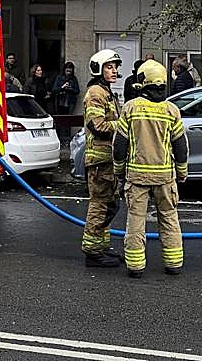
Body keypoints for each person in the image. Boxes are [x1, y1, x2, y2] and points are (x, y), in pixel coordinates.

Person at [114, 59, 188, 278]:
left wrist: (119, 170)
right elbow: (180, 145)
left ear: (141, 82)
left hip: (137, 177)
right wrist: (182, 171)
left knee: (136, 220)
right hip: (165, 177)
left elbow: (119, 145)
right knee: (169, 217)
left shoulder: (131, 108)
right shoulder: (171, 110)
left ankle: (135, 266)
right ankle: (173, 264)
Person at [81, 49, 125, 268]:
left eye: (115, 66)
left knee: (110, 205)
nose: (114, 70)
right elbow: (97, 126)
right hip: (99, 163)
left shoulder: (107, 92)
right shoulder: (96, 93)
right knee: (100, 206)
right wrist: (124, 125)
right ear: (98, 68)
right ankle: (92, 253)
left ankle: (101, 247)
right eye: (109, 67)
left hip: (108, 161)